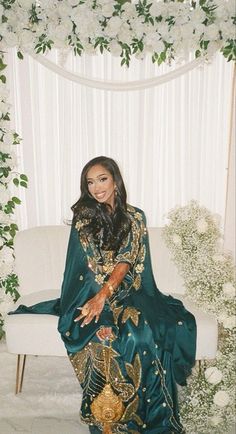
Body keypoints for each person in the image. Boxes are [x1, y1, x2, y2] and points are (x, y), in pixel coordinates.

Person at [11, 156, 196, 434]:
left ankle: (153, 419)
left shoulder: (135, 216)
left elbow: (127, 260)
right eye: (90, 182)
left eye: (102, 179)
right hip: (89, 292)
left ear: (115, 180)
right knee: (100, 333)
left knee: (140, 333)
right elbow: (86, 265)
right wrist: (98, 300)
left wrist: (106, 295)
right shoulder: (85, 217)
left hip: (130, 292)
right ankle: (110, 418)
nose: (97, 187)